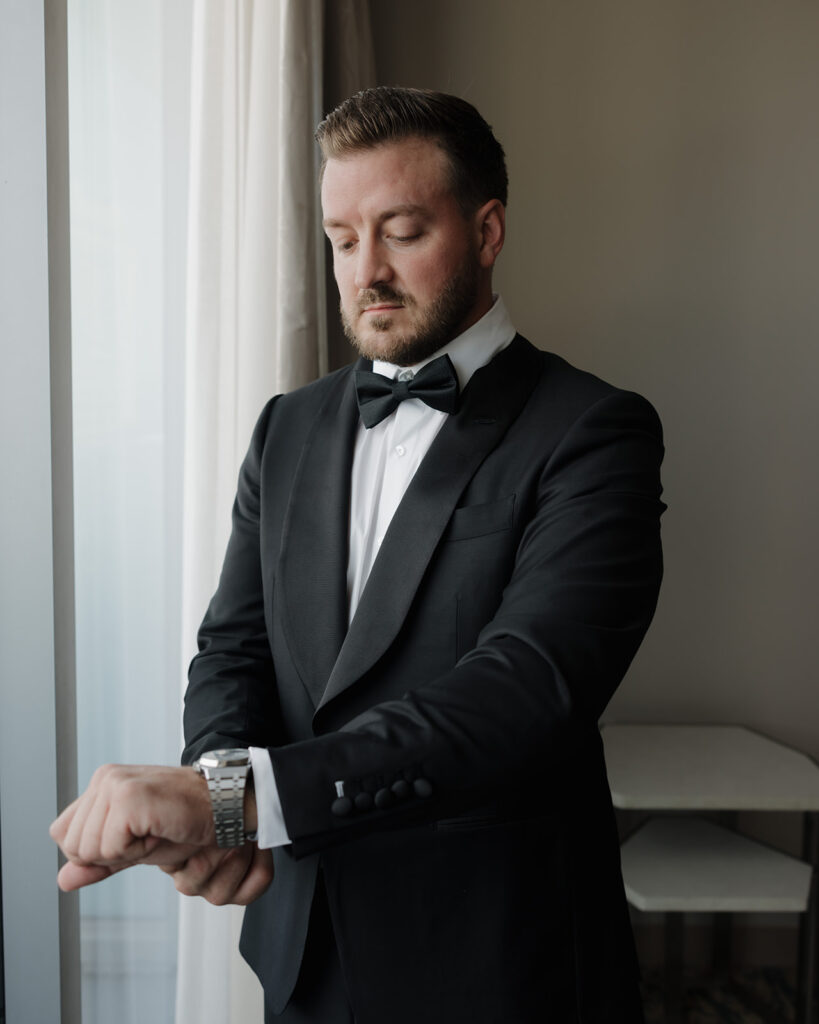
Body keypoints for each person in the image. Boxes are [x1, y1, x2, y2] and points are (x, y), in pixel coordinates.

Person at [51, 87, 665, 1023]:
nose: (365, 271)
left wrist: (244, 799)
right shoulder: (286, 427)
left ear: (487, 229)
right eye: (342, 240)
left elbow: (526, 690)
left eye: (402, 232)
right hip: (303, 944)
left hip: (502, 961)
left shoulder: (593, 430)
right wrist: (221, 813)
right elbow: (234, 649)